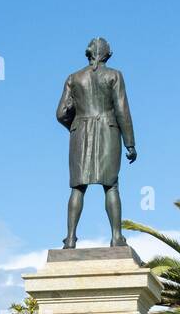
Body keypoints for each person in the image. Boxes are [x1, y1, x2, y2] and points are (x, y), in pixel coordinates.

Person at [56, 37, 136, 248]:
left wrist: (75, 127)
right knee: (111, 185)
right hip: (108, 131)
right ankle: (116, 237)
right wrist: (130, 143)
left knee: (77, 187)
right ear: (107, 54)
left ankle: (71, 238)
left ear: (89, 53)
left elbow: (61, 113)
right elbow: (122, 110)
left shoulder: (73, 78)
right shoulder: (114, 76)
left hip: (79, 132)